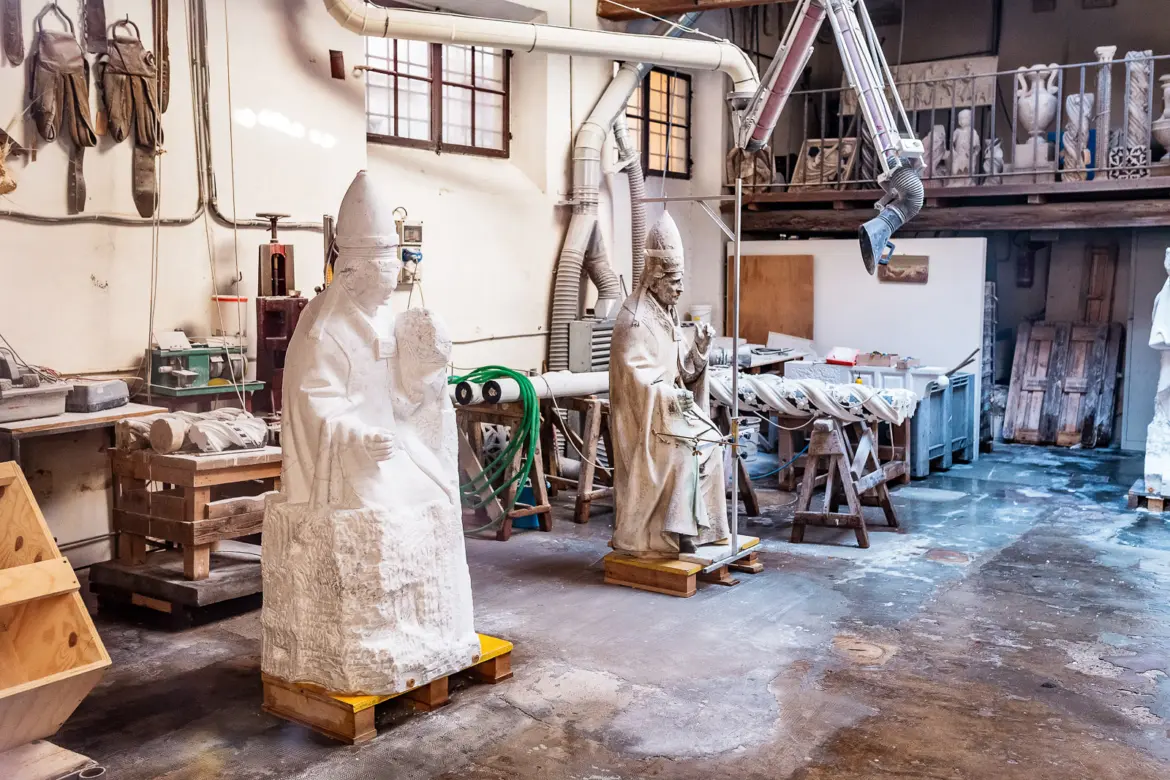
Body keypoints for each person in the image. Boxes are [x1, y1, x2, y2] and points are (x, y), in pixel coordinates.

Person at [262, 171, 479, 695]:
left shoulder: (380, 316)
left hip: (391, 441)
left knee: (439, 491)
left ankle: (430, 632)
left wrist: (426, 378)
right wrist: (358, 437)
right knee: (388, 511)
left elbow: (396, 394)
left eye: (393, 272)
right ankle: (387, 640)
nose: (391, 285)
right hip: (344, 459)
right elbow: (315, 403)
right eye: (383, 274)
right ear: (353, 273)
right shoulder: (324, 330)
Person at [608, 211, 730, 559]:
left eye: (680, 280)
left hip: (669, 413)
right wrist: (669, 395)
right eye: (674, 281)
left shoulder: (666, 312)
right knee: (686, 452)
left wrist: (699, 351)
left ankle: (699, 531)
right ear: (656, 278)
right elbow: (635, 385)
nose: (680, 288)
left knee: (712, 442)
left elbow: (680, 372)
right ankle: (673, 533)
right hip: (644, 424)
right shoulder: (634, 321)